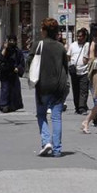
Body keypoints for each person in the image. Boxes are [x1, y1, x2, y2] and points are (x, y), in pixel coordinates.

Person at [29, 19, 71, 156]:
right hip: (59, 86)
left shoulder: (38, 45)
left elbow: (29, 62)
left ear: (45, 31)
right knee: (56, 117)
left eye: (42, 29)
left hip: (43, 86)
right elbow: (65, 66)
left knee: (41, 114)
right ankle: (57, 150)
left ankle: (46, 141)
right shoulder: (60, 47)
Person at [0, 36, 25, 113]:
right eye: (10, 41)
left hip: (14, 73)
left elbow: (21, 62)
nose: (11, 42)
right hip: (5, 72)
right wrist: (5, 48)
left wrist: (18, 68)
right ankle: (4, 105)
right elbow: (1, 58)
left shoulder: (17, 51)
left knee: (15, 89)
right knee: (5, 89)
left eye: (13, 41)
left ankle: (13, 106)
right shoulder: (4, 49)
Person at [67, 28, 92, 115]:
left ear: (85, 37)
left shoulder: (87, 45)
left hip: (84, 71)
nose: (79, 38)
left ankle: (82, 107)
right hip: (74, 71)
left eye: (81, 36)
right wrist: (71, 64)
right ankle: (77, 107)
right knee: (75, 90)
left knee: (83, 90)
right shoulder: (73, 45)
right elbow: (68, 56)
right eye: (77, 36)